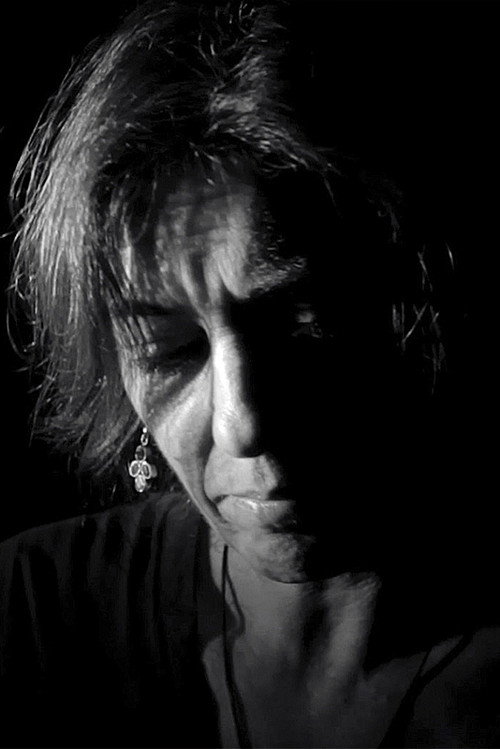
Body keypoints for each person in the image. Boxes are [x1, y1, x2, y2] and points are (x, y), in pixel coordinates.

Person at [1, 1, 498, 747]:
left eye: (301, 322)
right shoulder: (31, 614)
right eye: (172, 350)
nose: (244, 423)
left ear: (406, 306)